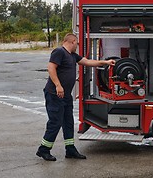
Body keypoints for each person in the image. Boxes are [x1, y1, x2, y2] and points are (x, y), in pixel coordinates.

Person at [36, 33, 115, 161]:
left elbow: (87, 62)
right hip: (55, 95)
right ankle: (43, 149)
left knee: (68, 122)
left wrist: (105, 62)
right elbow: (51, 68)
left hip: (66, 96)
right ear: (72, 42)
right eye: (77, 44)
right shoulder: (59, 52)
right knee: (55, 122)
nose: (77, 46)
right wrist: (58, 85)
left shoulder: (72, 55)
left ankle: (70, 149)